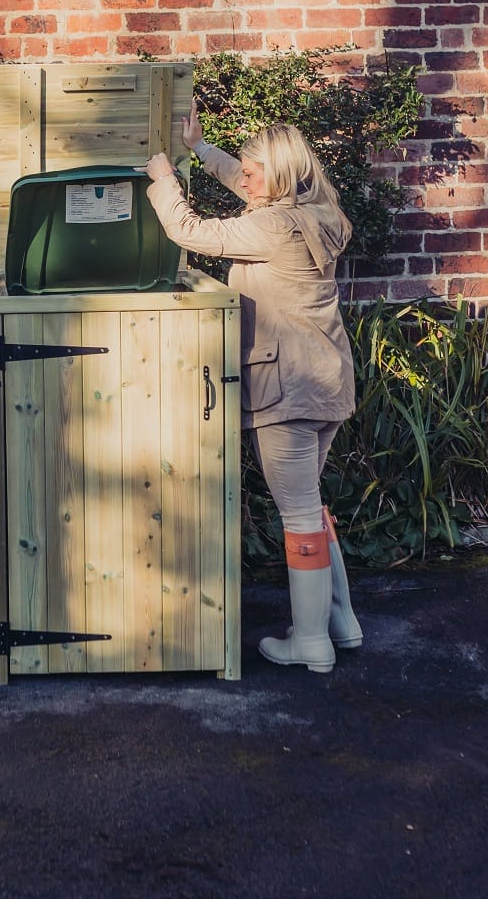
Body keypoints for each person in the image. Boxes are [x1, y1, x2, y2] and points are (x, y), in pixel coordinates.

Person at [140, 101, 363, 674]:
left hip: (286, 386)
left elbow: (189, 231)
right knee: (309, 504)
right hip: (328, 379)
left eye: (254, 167)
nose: (245, 174)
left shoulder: (270, 227)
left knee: (297, 513)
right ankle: (341, 622)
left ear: (281, 173)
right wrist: (199, 148)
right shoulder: (318, 215)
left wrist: (165, 180)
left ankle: (310, 641)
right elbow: (251, 193)